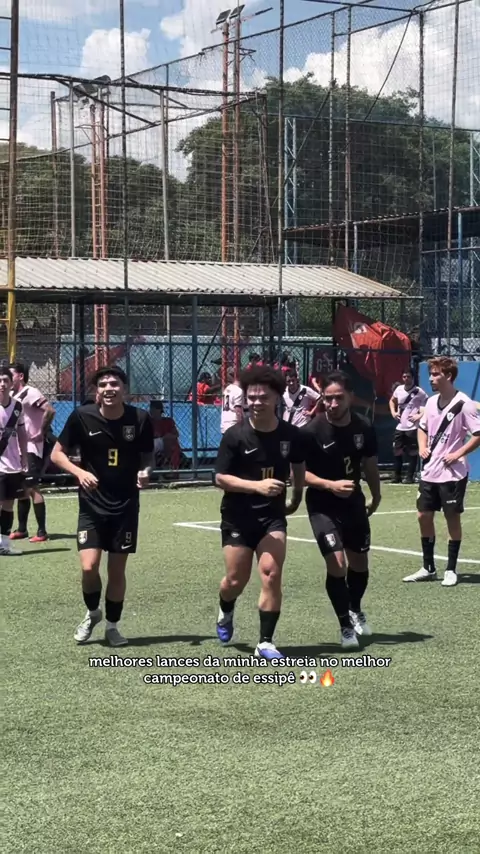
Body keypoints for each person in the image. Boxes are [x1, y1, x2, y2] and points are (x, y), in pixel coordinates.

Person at [50, 366, 154, 647]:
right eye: (103, 384)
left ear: (124, 389)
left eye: (114, 383)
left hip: (126, 505)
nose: (109, 388)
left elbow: (148, 457)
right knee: (89, 567)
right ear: (97, 391)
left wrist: (145, 472)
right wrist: (79, 472)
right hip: (92, 504)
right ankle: (93, 612)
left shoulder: (140, 419)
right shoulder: (81, 416)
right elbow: (57, 454)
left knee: (117, 571)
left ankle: (112, 626)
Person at [214, 364, 305, 661]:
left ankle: (265, 642)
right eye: (251, 397)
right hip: (238, 517)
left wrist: (296, 496)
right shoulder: (235, 435)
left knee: (271, 574)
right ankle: (226, 609)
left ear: (277, 397)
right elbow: (220, 478)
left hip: (272, 518)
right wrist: (257, 486)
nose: (256, 402)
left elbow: (298, 467)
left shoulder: (291, 434)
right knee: (235, 581)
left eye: (263, 397)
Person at [301, 371, 381, 649]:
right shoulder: (311, 431)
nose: (332, 404)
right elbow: (298, 474)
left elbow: (369, 464)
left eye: (338, 398)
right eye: (327, 398)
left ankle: (354, 608)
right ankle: (345, 626)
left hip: (354, 504)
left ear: (350, 397)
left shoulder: (363, 427)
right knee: (337, 563)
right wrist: (329, 484)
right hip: (322, 506)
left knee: (360, 564)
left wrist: (376, 495)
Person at [403, 357, 480, 586]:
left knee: (451, 517)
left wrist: (458, 454)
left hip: (453, 473)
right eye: (430, 374)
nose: (431, 378)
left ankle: (451, 569)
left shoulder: (464, 404)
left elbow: (477, 434)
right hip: (430, 471)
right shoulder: (430, 403)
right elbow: (422, 427)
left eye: (436, 374)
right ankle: (428, 567)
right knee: (423, 515)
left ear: (449, 376)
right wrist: (422, 446)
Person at [9, 362, 55, 542]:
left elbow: (50, 410)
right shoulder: (12, 396)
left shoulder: (31, 392)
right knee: (21, 488)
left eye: (11, 375)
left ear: (20, 376)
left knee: (32, 487)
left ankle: (42, 532)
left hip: (31, 448)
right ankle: (22, 529)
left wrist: (41, 432)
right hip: (18, 449)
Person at [0, 367, 29, 556]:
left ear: (12, 384)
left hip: (12, 465)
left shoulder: (18, 406)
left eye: (5, 380)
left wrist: (24, 456)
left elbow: (22, 432)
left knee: (8, 505)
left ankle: (4, 545)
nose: (2, 384)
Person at [389, 368, 428, 484]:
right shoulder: (399, 389)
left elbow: (427, 405)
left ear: (413, 378)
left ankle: (409, 477)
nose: (406, 379)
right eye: (404, 377)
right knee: (397, 451)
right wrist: (393, 412)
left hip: (412, 427)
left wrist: (419, 415)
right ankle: (396, 476)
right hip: (400, 427)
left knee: (412, 453)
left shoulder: (419, 392)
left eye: (408, 377)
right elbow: (392, 401)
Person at [220, 368, 244, 434]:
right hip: (234, 425)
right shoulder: (238, 390)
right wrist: (242, 426)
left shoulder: (227, 389)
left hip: (224, 424)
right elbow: (238, 411)